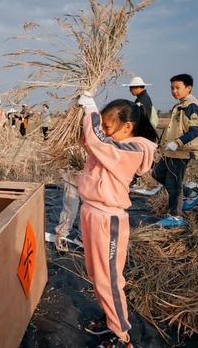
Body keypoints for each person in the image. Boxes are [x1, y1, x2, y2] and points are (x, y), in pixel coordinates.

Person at [76, 94, 157, 348]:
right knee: (95, 273)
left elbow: (100, 143)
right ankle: (110, 316)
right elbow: (89, 142)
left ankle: (121, 334)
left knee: (108, 278)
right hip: (90, 212)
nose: (104, 132)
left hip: (107, 219)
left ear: (127, 127)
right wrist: (80, 117)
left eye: (108, 127)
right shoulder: (112, 144)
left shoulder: (134, 148)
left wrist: (91, 110)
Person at [152, 74, 198, 227]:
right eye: (172, 88)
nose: (174, 91)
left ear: (188, 88)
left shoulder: (190, 106)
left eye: (177, 88)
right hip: (171, 151)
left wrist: (177, 142)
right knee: (157, 173)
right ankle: (191, 194)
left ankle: (176, 216)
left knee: (173, 184)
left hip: (180, 152)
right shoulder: (180, 105)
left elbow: (195, 130)